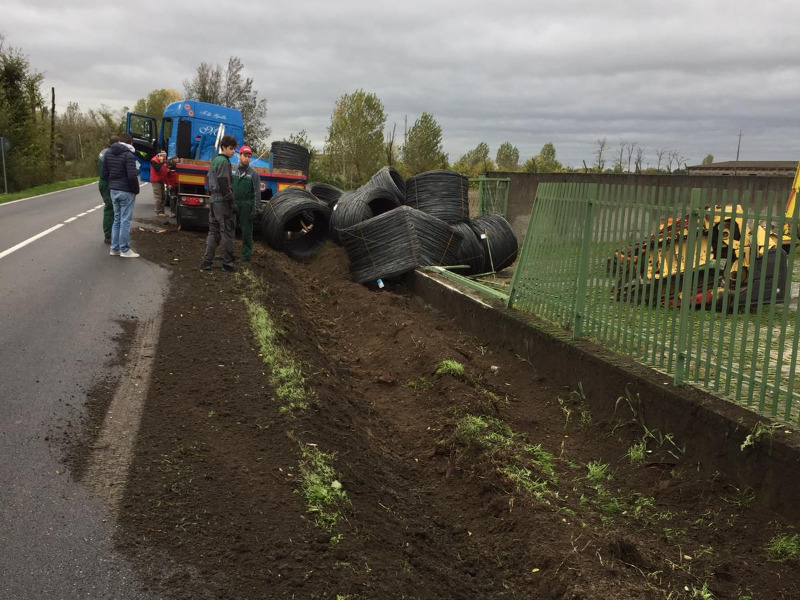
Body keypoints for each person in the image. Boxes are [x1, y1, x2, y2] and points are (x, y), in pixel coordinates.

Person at [200, 134, 238, 272]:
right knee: (227, 231)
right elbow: (223, 181)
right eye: (230, 148)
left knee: (213, 231)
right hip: (222, 202)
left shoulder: (215, 160)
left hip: (213, 200)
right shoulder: (224, 162)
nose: (233, 151)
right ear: (223, 147)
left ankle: (207, 261)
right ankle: (227, 264)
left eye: (234, 149)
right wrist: (231, 201)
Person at [102, 133, 141, 258]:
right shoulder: (128, 155)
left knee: (117, 219)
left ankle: (114, 248)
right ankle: (125, 249)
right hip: (126, 191)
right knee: (125, 221)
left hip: (113, 190)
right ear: (130, 143)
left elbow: (104, 174)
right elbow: (132, 175)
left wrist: (112, 184)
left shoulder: (108, 153)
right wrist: (136, 190)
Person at [232, 145, 261, 263]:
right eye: (245, 155)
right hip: (233, 203)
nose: (247, 158)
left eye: (249, 156)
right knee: (229, 229)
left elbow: (257, 193)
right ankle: (228, 253)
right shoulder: (232, 170)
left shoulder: (253, 174)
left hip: (247, 205)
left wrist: (256, 209)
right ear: (239, 156)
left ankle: (245, 256)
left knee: (246, 232)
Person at [98, 135, 119, 243]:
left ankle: (111, 233)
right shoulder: (109, 153)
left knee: (110, 207)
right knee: (110, 207)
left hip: (103, 182)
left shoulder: (103, 151)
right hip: (107, 182)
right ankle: (108, 235)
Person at [150, 150, 169, 217]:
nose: (165, 157)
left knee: (163, 197)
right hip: (156, 180)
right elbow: (157, 169)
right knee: (158, 197)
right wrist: (161, 162)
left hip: (161, 180)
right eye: (163, 156)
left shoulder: (164, 162)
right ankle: (158, 211)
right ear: (160, 156)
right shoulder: (154, 161)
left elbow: (165, 172)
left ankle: (162, 211)